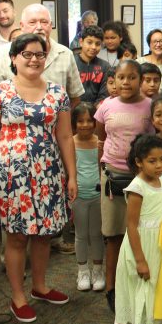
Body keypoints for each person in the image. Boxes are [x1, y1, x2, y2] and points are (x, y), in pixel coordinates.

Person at [0, 33, 78, 322]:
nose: (34, 59)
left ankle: (39, 286)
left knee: (45, 234)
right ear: (13, 58)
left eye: (39, 54)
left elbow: (64, 136)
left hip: (48, 172)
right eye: (27, 54)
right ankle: (18, 295)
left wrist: (71, 175)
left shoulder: (58, 93)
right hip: (11, 175)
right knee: (17, 236)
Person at [94, 59, 153, 312]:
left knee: (140, 232)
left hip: (142, 177)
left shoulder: (151, 106)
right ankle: (111, 287)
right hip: (112, 175)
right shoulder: (106, 106)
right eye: (121, 77)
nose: (126, 82)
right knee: (114, 235)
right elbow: (101, 138)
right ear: (114, 80)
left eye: (132, 77)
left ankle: (138, 282)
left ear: (140, 80)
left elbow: (154, 140)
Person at [113, 134, 162, 324]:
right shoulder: (137, 187)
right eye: (152, 161)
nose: (159, 165)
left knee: (157, 290)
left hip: (157, 243)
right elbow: (131, 225)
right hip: (141, 246)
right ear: (139, 162)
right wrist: (140, 260)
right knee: (147, 292)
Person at [0, 3, 85, 108]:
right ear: (22, 26)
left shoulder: (65, 54)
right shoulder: (2, 54)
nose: (39, 27)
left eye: (44, 22)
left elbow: (75, 98)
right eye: (32, 22)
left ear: (51, 25)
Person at [71, 102, 105, 292]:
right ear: (74, 123)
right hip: (78, 196)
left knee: (96, 234)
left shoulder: (100, 142)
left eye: (89, 120)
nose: (85, 124)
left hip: (98, 196)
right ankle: (83, 270)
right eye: (80, 121)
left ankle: (98, 270)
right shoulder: (70, 142)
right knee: (81, 234)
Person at [74, 25, 110, 104]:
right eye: (89, 42)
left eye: (98, 44)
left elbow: (104, 94)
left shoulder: (105, 66)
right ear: (81, 42)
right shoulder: (72, 63)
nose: (93, 47)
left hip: (97, 111)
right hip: (74, 110)